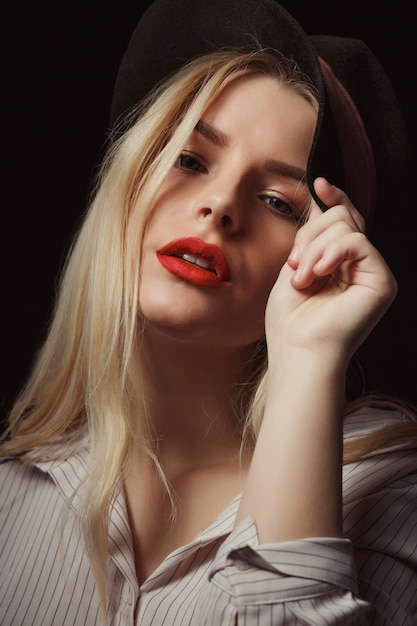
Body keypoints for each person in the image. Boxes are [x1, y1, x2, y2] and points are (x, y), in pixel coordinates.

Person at [1, 1, 416, 624]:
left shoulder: (391, 494)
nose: (220, 205)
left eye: (279, 201)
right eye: (189, 159)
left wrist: (307, 357)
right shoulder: (11, 491)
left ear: (322, 254)